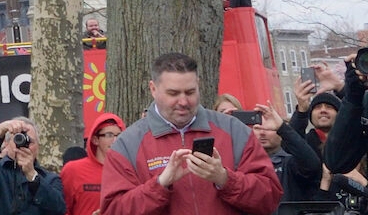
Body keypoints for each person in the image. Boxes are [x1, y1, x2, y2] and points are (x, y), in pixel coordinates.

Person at [100, 52, 280, 215]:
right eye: (173, 93)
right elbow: (113, 210)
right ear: (153, 89)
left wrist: (224, 179)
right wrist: (160, 184)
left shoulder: (234, 130)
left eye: (190, 92)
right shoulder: (127, 144)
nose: (183, 101)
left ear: (198, 85)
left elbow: (270, 197)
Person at [0, 119, 64, 215]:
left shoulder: (50, 179)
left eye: (29, 141)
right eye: (18, 139)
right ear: (7, 143)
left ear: (38, 147)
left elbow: (58, 208)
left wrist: (33, 176)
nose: (24, 146)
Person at [246, 102, 324, 204]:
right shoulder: (245, 163)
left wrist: (282, 128)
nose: (262, 133)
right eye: (257, 128)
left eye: (269, 129)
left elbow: (312, 164)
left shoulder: (290, 163)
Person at [60, 114, 123, 215]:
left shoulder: (129, 172)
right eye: (109, 135)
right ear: (95, 140)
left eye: (119, 135)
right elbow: (62, 210)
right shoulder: (73, 170)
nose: (115, 140)